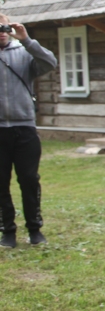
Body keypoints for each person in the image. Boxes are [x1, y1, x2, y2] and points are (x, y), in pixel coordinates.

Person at [0, 13, 57, 249]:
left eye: (4, 28)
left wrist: (26, 40)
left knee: (29, 180)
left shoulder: (23, 53)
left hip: (24, 128)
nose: (1, 33)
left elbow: (50, 63)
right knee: (1, 183)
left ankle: (34, 229)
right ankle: (8, 232)